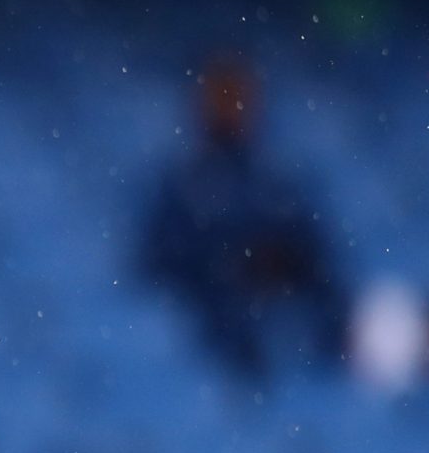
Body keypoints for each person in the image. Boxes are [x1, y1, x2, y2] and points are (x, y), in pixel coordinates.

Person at [139, 55, 348, 383]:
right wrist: (230, 263)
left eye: (237, 95)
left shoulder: (280, 180)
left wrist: (278, 264)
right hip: (210, 324)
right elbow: (160, 265)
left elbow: (318, 262)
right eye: (219, 95)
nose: (230, 106)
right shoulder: (180, 184)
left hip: (283, 320)